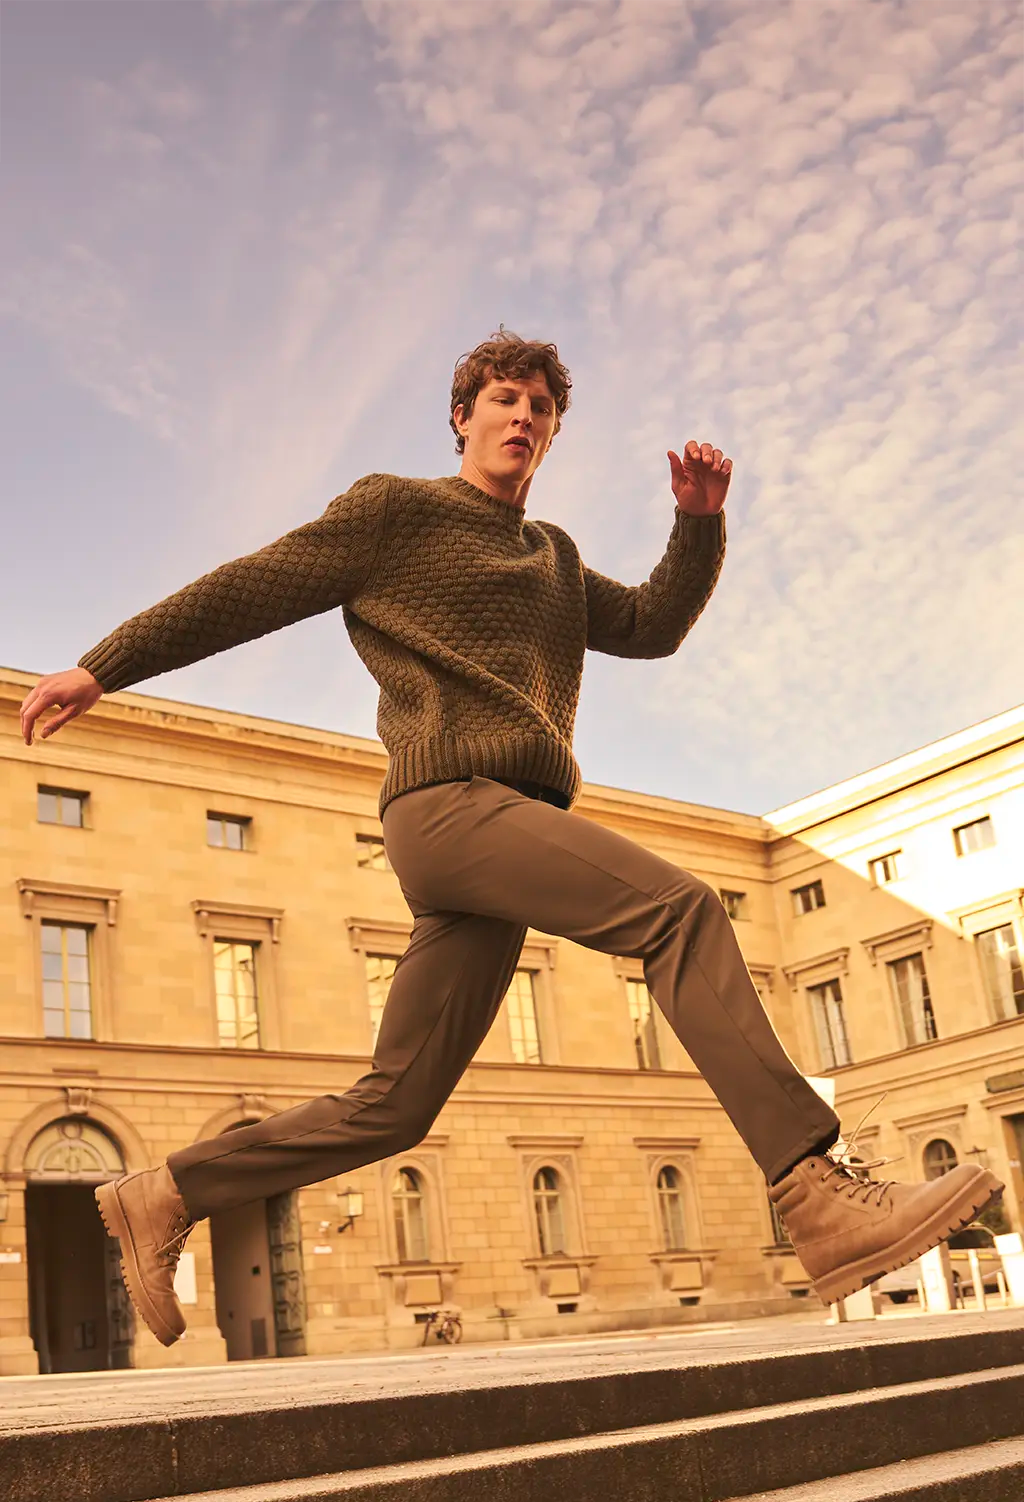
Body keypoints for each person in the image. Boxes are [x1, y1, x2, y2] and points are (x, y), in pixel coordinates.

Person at [20, 329, 1003, 1347]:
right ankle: (812, 1190)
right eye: (503, 398)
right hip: (450, 805)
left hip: (502, 830)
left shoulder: (555, 558)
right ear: (463, 417)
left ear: (551, 433)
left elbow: (652, 625)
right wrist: (104, 666)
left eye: (541, 407)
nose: (523, 416)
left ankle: (166, 1191)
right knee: (681, 911)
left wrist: (698, 522)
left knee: (394, 1105)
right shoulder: (394, 512)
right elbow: (249, 586)